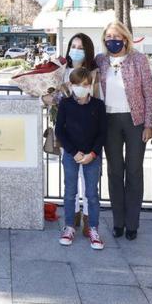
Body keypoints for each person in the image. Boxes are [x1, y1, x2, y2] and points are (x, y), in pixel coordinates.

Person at [95, 21, 152, 241]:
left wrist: (149, 124)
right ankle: (118, 222)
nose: (113, 40)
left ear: (126, 38)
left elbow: (150, 93)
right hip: (108, 120)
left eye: (117, 36)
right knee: (114, 171)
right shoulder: (100, 61)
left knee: (134, 171)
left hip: (135, 121)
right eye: (109, 36)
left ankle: (132, 223)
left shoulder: (138, 59)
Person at [43, 33, 100, 236]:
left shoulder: (94, 74)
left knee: (89, 184)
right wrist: (47, 96)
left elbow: (96, 102)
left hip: (89, 137)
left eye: (80, 47)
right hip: (67, 136)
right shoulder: (61, 72)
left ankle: (88, 221)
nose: (76, 50)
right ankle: (73, 217)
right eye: (73, 46)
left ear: (88, 51)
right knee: (70, 181)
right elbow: (51, 94)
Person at [56, 68, 108, 250]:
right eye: (77, 84)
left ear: (91, 85)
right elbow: (59, 131)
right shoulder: (65, 104)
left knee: (92, 194)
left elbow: (102, 133)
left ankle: (93, 228)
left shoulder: (98, 106)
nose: (81, 87)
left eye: (85, 84)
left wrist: (92, 154)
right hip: (72, 155)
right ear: (71, 85)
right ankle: (69, 226)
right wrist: (73, 152)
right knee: (70, 191)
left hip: (91, 156)